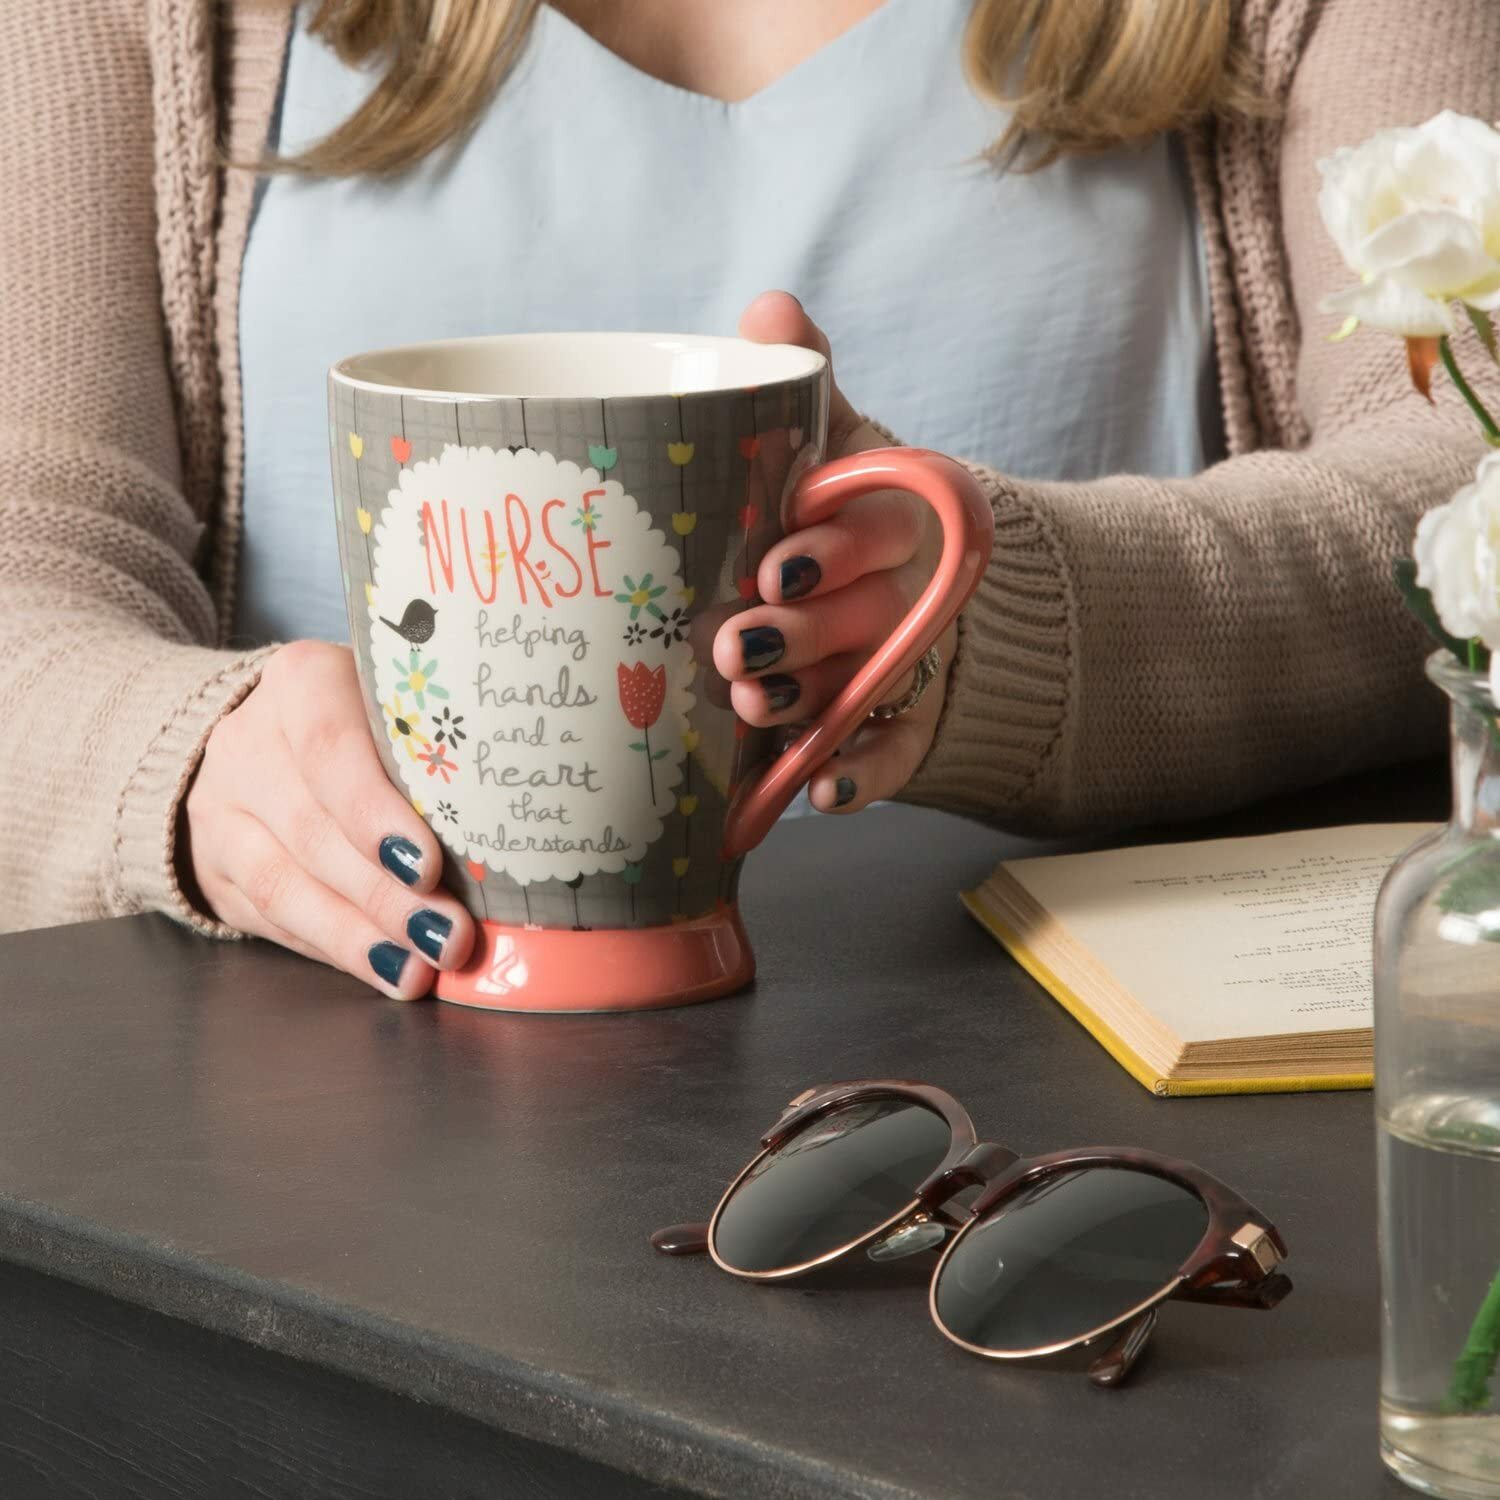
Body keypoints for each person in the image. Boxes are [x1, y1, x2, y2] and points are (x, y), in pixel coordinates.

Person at [2, 0, 1492, 998]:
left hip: (1072, 1148)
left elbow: (1465, 490)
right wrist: (185, 768)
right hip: (317, 1147)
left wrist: (991, 631)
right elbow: (27, 560)